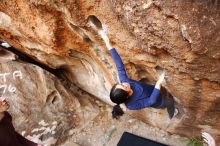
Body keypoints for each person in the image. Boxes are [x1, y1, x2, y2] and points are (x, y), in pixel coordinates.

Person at [98, 30, 175, 119]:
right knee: (165, 103)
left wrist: (107, 42)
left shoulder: (124, 81)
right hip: (157, 101)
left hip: (151, 89)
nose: (124, 83)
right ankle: (169, 104)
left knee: (163, 94)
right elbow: (151, 101)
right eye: (124, 87)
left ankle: (167, 98)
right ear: (127, 95)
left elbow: (118, 63)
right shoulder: (131, 105)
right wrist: (158, 83)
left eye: (120, 84)